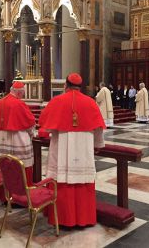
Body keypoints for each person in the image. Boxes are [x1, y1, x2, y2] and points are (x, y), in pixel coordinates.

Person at [39, 73, 106, 227]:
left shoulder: (57, 101)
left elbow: (45, 126)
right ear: (80, 86)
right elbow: (98, 129)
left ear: (65, 85)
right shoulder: (90, 102)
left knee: (62, 178)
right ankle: (85, 218)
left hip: (61, 148)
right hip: (84, 150)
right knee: (83, 180)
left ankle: (62, 218)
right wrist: (97, 145)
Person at [0, 81, 36, 185]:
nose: (22, 96)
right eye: (23, 94)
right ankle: (20, 194)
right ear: (19, 93)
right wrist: (31, 133)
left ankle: (5, 194)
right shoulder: (18, 103)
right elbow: (30, 123)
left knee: (4, 165)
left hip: (0, 138)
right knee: (19, 165)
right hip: (17, 139)